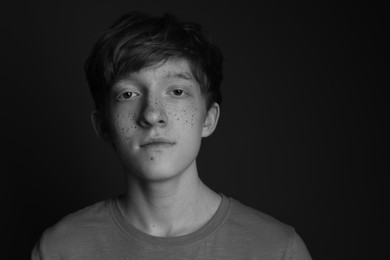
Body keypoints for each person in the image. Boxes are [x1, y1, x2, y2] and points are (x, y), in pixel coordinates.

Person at [32, 11, 312, 259]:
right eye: (128, 94)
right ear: (104, 125)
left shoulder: (277, 250)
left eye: (177, 91)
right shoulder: (59, 249)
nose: (153, 114)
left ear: (208, 119)